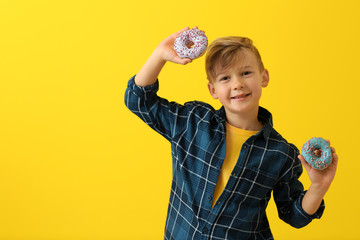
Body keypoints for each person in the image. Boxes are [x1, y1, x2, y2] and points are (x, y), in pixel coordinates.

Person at [124, 27, 338, 239]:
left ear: (264, 77)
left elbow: (294, 215)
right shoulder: (193, 122)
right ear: (213, 90)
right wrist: (160, 54)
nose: (237, 84)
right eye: (225, 78)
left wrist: (318, 188)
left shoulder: (281, 153)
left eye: (246, 73)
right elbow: (138, 101)